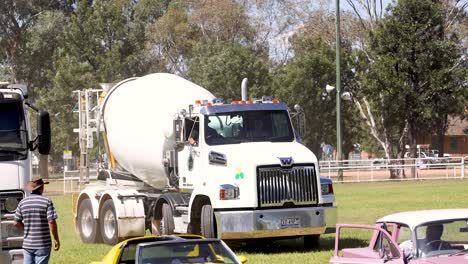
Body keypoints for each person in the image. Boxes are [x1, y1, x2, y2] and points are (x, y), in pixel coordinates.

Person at [14, 177, 60, 264]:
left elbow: (16, 223)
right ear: (41, 188)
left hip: (28, 245)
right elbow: (51, 221)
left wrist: (28, 229)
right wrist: (56, 239)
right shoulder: (47, 201)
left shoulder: (22, 202)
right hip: (43, 245)